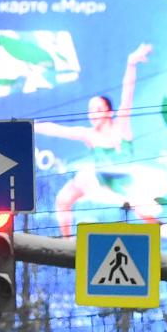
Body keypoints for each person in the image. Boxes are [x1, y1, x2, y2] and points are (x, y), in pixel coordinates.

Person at [36, 43, 154, 235]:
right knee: (64, 198)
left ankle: (161, 241)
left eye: (98, 110)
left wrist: (131, 64)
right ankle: (66, 242)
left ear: (109, 112)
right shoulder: (89, 135)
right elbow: (58, 130)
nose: (93, 114)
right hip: (101, 181)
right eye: (90, 110)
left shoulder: (121, 127)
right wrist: (31, 126)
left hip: (124, 183)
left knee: (146, 211)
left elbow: (127, 94)